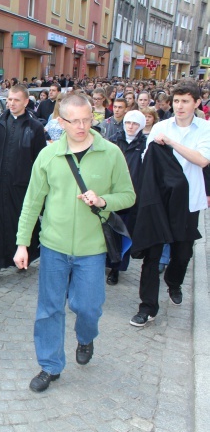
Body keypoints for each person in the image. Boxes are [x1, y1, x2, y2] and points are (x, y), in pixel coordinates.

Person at [14, 93, 135, 392]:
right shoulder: (49, 155)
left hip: (92, 250)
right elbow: (32, 202)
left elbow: (129, 195)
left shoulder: (110, 153)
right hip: (54, 246)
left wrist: (103, 200)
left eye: (87, 119)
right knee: (49, 309)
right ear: (61, 121)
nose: (82, 126)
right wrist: (22, 243)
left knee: (88, 307)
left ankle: (86, 335)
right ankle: (50, 365)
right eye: (75, 121)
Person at [129, 82, 210, 327]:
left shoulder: (204, 129)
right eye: (176, 101)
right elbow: (147, 160)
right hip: (159, 200)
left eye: (185, 101)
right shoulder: (161, 127)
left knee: (183, 252)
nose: (180, 106)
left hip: (188, 200)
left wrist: (172, 144)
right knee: (152, 255)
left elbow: (203, 160)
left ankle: (174, 282)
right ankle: (147, 307)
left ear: (196, 103)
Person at [0, 85, 46, 287]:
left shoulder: (34, 127)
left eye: (17, 100)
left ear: (26, 102)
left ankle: (24, 256)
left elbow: (39, 160)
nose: (12, 103)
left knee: (20, 225)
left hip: (20, 186)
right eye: (10, 99)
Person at [105, 110, 147, 285]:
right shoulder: (114, 139)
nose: (131, 127)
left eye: (135, 124)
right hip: (111, 194)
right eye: (128, 123)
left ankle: (116, 268)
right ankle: (103, 262)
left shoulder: (145, 144)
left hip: (132, 197)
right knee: (107, 231)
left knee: (124, 234)